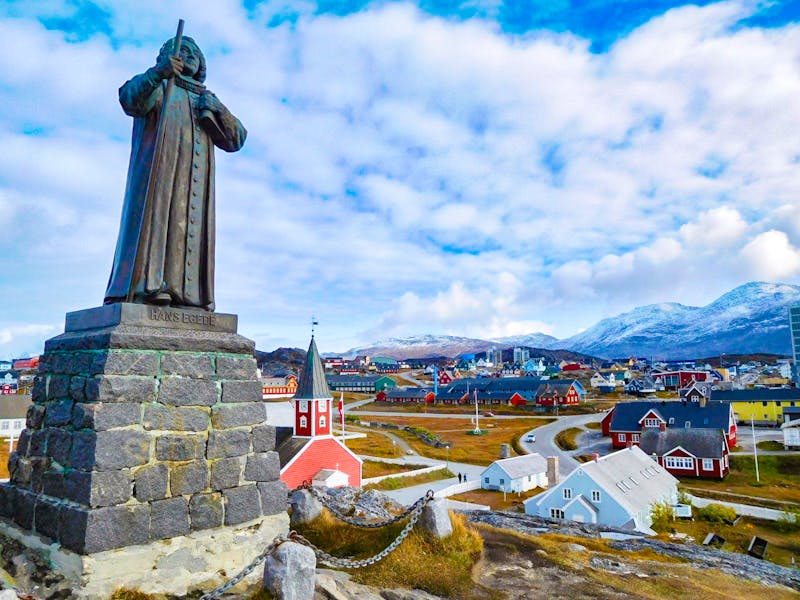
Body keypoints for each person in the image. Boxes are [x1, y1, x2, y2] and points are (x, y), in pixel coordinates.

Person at [104, 35, 247, 310]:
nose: (190, 55)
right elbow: (129, 99)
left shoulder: (207, 99)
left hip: (196, 186)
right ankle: (150, 288)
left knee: (190, 230)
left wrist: (219, 109)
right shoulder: (160, 86)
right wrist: (159, 73)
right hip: (161, 176)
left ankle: (189, 296)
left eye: (196, 52)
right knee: (158, 223)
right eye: (182, 50)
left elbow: (236, 139)